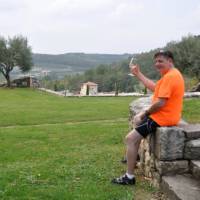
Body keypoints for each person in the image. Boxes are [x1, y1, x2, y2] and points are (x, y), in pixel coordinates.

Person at [112, 50, 185, 185]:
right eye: (156, 61)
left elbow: (161, 103)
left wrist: (145, 113)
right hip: (165, 115)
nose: (157, 64)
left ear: (170, 61)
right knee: (136, 125)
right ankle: (134, 156)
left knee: (130, 138)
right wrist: (138, 74)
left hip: (163, 118)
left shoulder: (170, 77)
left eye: (160, 61)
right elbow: (155, 87)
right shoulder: (171, 74)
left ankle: (129, 177)